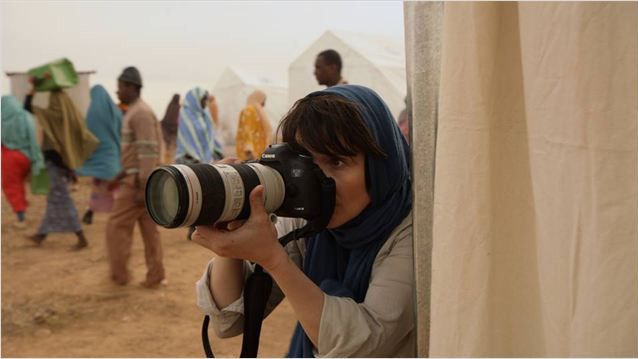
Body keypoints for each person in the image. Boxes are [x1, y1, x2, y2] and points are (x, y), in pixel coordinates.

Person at [193, 85, 414, 357]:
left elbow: (364, 345)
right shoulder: (307, 220)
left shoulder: (411, 233)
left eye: (337, 162)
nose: (320, 181)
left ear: (381, 167)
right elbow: (229, 321)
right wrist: (231, 223)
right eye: (308, 163)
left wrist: (274, 259)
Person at [105, 66, 165, 287]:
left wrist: (143, 187)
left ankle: (120, 277)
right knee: (150, 231)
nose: (117, 91)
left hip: (139, 184)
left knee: (116, 228)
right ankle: (155, 276)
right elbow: (137, 151)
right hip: (139, 180)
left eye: (120, 87)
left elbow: (148, 152)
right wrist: (120, 174)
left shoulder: (139, 113)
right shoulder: (136, 111)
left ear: (131, 87)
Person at [25, 88, 99, 249]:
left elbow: (28, 107)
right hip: (64, 164)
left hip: (55, 164)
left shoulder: (52, 116)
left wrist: (32, 90)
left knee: (62, 199)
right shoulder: (71, 117)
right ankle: (41, 235)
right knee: (54, 199)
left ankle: (81, 236)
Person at [75, 85, 123, 225]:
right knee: (115, 186)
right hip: (112, 155)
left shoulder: (91, 114)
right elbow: (121, 131)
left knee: (99, 187)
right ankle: (118, 214)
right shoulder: (115, 112)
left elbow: (87, 135)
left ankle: (90, 211)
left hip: (98, 157)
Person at [1, 96, 45, 229]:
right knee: (22, 184)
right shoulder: (26, 116)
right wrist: (36, 158)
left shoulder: (2, 119)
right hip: (26, 156)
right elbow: (33, 139)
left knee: (13, 187)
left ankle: (21, 217)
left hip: (9, 157)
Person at [175, 87, 223, 164]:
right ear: (195, 100)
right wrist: (194, 155)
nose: (205, 102)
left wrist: (217, 151)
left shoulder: (206, 114)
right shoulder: (184, 114)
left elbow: (211, 136)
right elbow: (185, 139)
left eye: (206, 99)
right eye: (203, 100)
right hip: (188, 159)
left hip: (207, 160)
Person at [235, 90, 272, 161]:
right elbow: (247, 131)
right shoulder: (249, 110)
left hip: (255, 154)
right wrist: (249, 150)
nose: (264, 104)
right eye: (263, 100)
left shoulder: (258, 111)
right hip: (251, 155)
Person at [160, 94, 180, 164]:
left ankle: (166, 160)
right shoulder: (178, 107)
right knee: (172, 147)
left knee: (167, 145)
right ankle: (168, 161)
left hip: (167, 128)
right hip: (173, 129)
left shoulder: (170, 105)